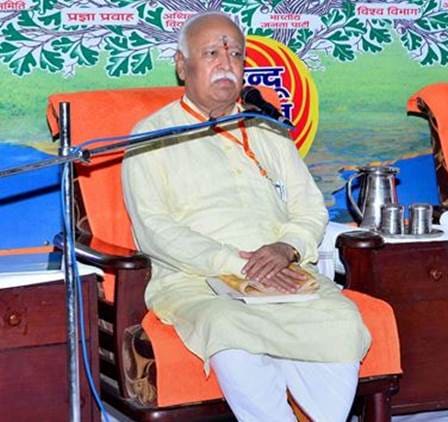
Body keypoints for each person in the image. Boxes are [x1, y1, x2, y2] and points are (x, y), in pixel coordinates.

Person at [121, 12, 370, 421]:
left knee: (343, 320)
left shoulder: (267, 131)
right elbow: (154, 230)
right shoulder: (151, 136)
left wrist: (287, 247)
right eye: (211, 53)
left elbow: (309, 207)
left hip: (284, 274)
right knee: (226, 325)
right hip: (195, 280)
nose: (226, 63)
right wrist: (238, 265)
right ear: (182, 65)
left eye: (236, 54)